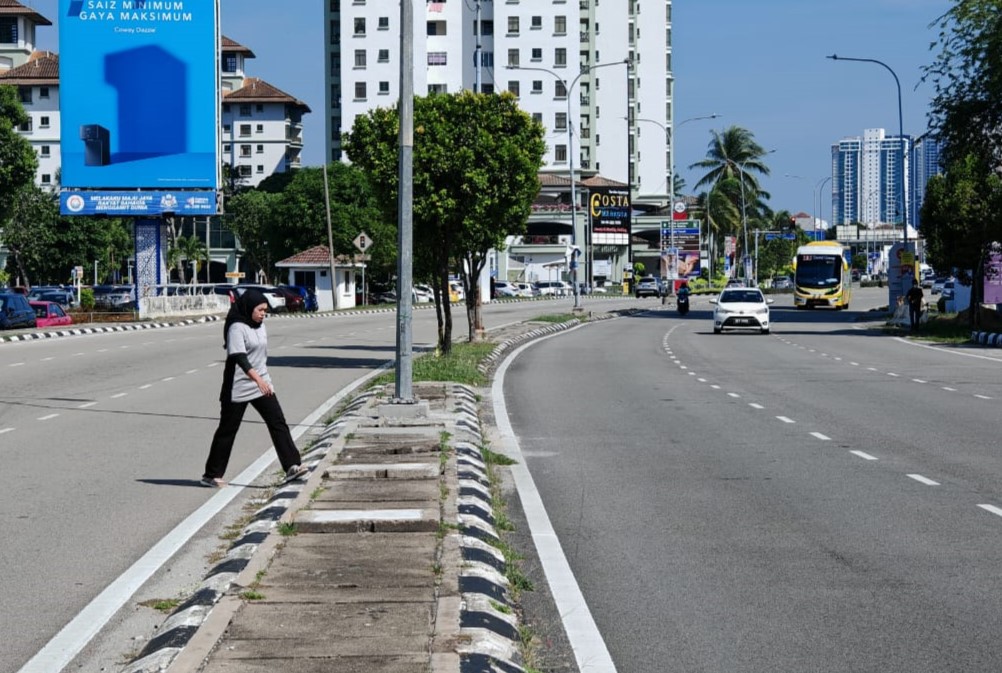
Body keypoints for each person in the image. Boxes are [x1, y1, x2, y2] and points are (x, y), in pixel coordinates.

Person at [201, 288, 308, 487]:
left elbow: (261, 358)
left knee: (277, 422)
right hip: (238, 385)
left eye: (265, 310)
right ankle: (211, 474)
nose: (262, 314)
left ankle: (293, 466)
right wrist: (258, 380)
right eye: (259, 310)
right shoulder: (236, 327)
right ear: (249, 308)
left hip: (261, 383)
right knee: (228, 429)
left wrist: (264, 380)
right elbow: (239, 358)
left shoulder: (260, 326)